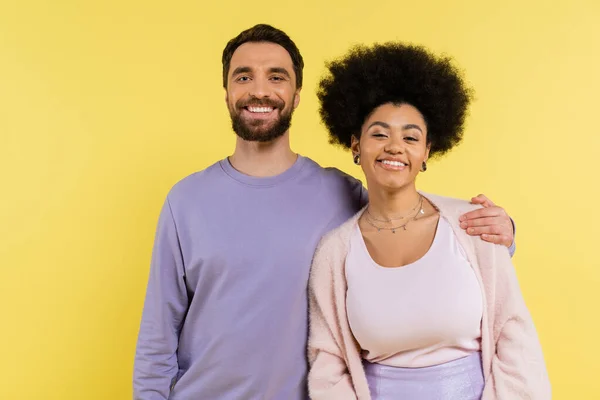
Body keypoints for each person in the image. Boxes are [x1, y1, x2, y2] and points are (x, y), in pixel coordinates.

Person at [133, 24, 516, 400]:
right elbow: (158, 335)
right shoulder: (185, 200)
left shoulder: (342, 194)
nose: (260, 90)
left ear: (297, 94)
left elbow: (416, 227)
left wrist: (501, 232)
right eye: (244, 76)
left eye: (276, 77)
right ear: (227, 92)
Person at [307, 42, 550, 399]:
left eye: (410, 136)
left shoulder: (472, 226)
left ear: (426, 152)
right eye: (379, 133)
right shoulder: (334, 252)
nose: (394, 146)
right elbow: (327, 363)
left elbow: (513, 333)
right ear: (355, 145)